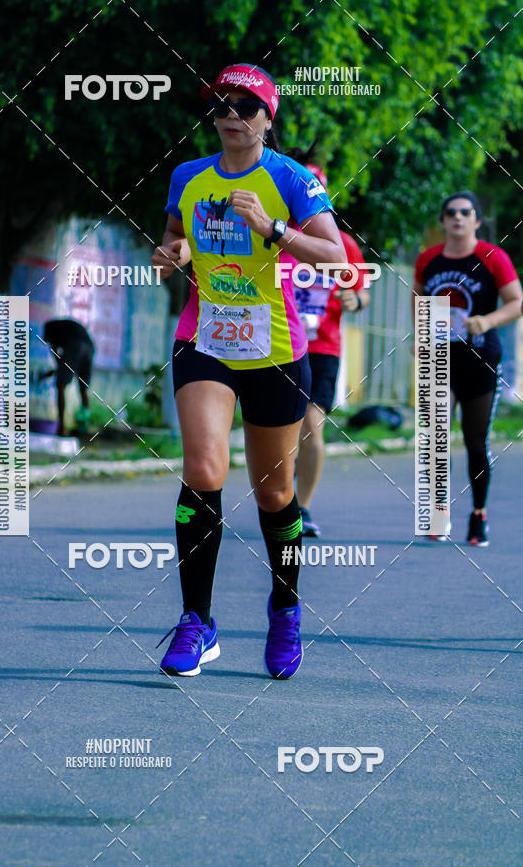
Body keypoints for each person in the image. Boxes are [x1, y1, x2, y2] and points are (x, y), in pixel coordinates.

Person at [151, 64, 346, 679]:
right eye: (221, 105)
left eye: (245, 105)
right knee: (204, 469)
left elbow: (336, 257)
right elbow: (168, 252)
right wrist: (171, 256)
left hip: (276, 350)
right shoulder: (188, 177)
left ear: (268, 117)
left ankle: (285, 611)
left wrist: (272, 229)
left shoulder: (292, 178)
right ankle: (196, 622)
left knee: (273, 492)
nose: (231, 114)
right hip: (204, 338)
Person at [412, 192, 522, 545]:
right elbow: (417, 298)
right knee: (436, 436)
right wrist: (419, 334)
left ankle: (478, 514)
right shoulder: (428, 259)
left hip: (479, 358)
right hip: (438, 359)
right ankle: (438, 512)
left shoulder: (492, 257)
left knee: (476, 440)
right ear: (442, 221)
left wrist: (487, 320)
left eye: (465, 212)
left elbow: (517, 301)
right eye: (451, 213)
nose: (458, 218)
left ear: (476, 220)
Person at [280, 163, 371, 537]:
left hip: (323, 346)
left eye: (316, 187)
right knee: (279, 430)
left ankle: (303, 506)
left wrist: (355, 301)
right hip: (278, 341)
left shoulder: (343, 243)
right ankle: (280, 502)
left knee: (310, 427)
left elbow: (361, 292)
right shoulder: (278, 233)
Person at [41, 318, 95, 436]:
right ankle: (84, 426)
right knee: (83, 388)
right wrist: (59, 370)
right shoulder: (61, 326)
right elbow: (63, 363)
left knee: (61, 385)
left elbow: (55, 351)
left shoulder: (49, 328)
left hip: (76, 344)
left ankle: (61, 427)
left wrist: (57, 371)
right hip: (89, 346)